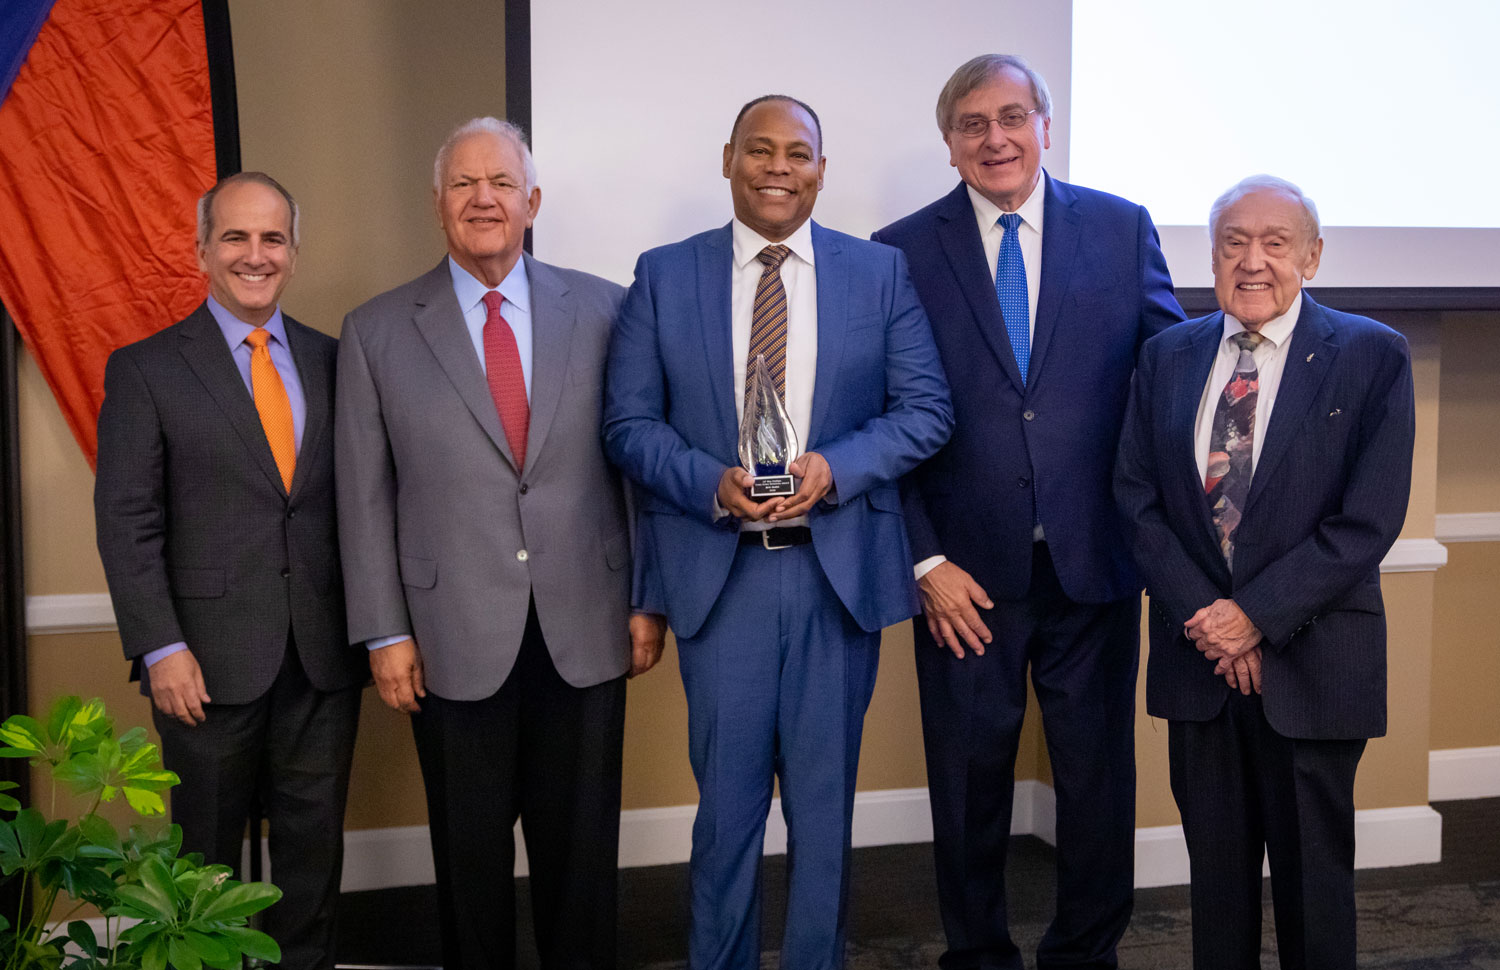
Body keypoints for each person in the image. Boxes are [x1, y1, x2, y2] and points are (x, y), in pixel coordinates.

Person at [603, 95, 953, 970]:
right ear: (728, 159)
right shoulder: (664, 273)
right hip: (723, 580)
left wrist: (836, 467)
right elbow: (629, 425)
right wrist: (710, 484)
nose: (778, 167)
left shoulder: (879, 275)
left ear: (821, 171)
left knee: (824, 813)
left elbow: (926, 410)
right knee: (724, 812)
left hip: (835, 578)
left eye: (798, 153)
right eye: (759, 150)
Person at [871, 54, 1185, 970]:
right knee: (968, 783)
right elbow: (880, 417)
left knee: (1096, 778)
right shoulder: (898, 249)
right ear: (949, 143)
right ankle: (976, 954)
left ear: (1047, 125)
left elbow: (1163, 380)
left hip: (1094, 559)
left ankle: (1088, 950)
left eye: (1013, 117)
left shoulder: (1121, 230)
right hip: (963, 577)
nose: (996, 138)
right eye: (974, 124)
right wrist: (924, 559)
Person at [335, 117, 664, 970]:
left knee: (582, 861)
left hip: (588, 628)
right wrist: (385, 631)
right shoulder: (375, 331)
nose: (484, 198)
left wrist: (646, 596)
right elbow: (365, 498)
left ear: (533, 202)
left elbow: (634, 465)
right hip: (449, 641)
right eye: (463, 184)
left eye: (502, 184)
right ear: (437, 203)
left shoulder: (604, 308)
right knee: (469, 865)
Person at [1115, 175, 1414, 970]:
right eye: (1232, 242)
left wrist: (1255, 617)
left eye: (1275, 243)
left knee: (1316, 892)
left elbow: (1367, 522)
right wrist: (1212, 621)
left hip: (1313, 665)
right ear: (1211, 256)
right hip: (1199, 666)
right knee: (1215, 890)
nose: (1252, 261)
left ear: (1311, 257)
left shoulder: (1371, 355)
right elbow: (1137, 501)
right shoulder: (1166, 356)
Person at [94, 172, 365, 970]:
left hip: (321, 659)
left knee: (312, 869)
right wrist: (159, 647)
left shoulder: (334, 360)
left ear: (293, 251)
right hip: (203, 665)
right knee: (204, 871)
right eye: (237, 238)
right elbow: (127, 521)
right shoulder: (145, 369)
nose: (256, 254)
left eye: (273, 238)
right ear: (203, 249)